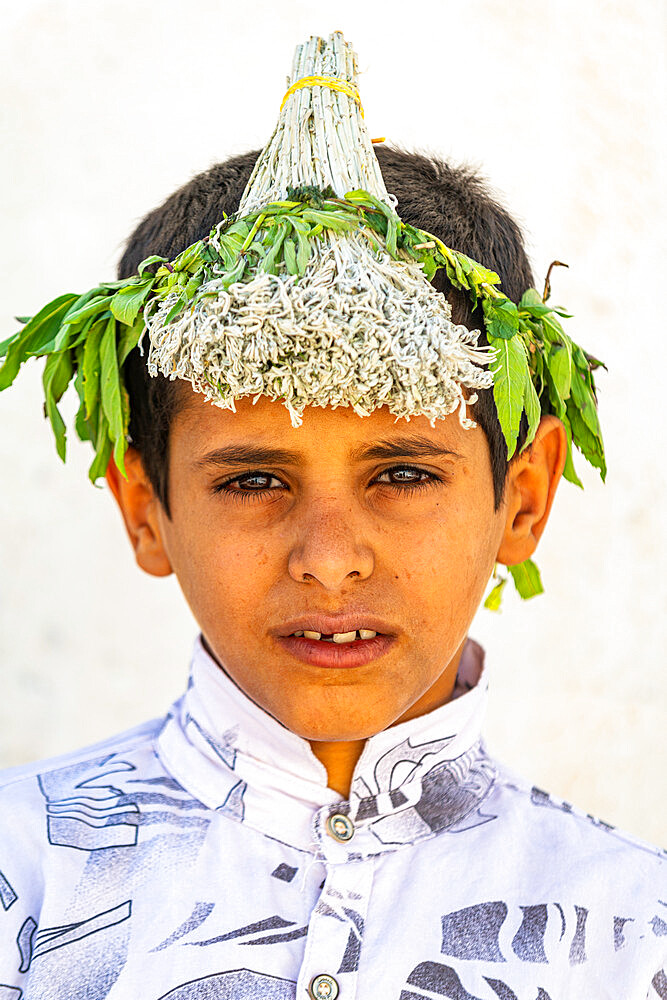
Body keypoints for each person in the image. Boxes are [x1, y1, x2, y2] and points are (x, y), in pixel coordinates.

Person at [0, 33, 664, 1000]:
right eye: (253, 482)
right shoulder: (23, 883)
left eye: (400, 473)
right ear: (145, 508)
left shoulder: (633, 939)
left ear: (522, 500)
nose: (329, 560)